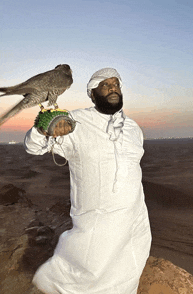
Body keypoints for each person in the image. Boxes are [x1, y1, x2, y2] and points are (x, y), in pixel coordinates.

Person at [24, 68, 152, 294]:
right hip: (95, 219)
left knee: (127, 272)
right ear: (92, 94)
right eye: (105, 85)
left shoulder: (133, 128)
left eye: (116, 84)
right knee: (86, 271)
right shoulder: (76, 121)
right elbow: (33, 147)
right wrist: (46, 128)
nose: (113, 88)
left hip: (134, 219)